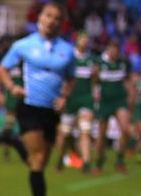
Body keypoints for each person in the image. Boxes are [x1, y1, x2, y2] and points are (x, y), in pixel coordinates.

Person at [0, 2, 75, 196]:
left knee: (40, 160)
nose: (52, 21)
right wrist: (12, 87)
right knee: (37, 160)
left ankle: (13, 141)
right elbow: (2, 68)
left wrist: (64, 97)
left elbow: (71, 77)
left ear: (62, 22)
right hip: (29, 106)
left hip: (51, 110)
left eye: (57, 18)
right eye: (48, 15)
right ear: (40, 17)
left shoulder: (67, 50)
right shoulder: (24, 45)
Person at [53, 32, 99, 173]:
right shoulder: (69, 57)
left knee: (85, 130)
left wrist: (95, 91)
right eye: (82, 39)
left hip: (85, 98)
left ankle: (86, 163)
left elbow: (95, 79)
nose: (84, 41)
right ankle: (60, 159)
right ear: (77, 41)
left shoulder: (92, 59)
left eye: (87, 39)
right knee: (65, 132)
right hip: (70, 98)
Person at [92, 38, 136, 174]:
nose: (115, 52)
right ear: (108, 49)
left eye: (117, 49)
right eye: (112, 49)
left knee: (125, 128)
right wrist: (95, 91)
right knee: (101, 135)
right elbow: (94, 80)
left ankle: (120, 160)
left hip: (119, 101)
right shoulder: (100, 63)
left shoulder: (123, 63)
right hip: (105, 101)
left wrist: (131, 94)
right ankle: (99, 162)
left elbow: (128, 81)